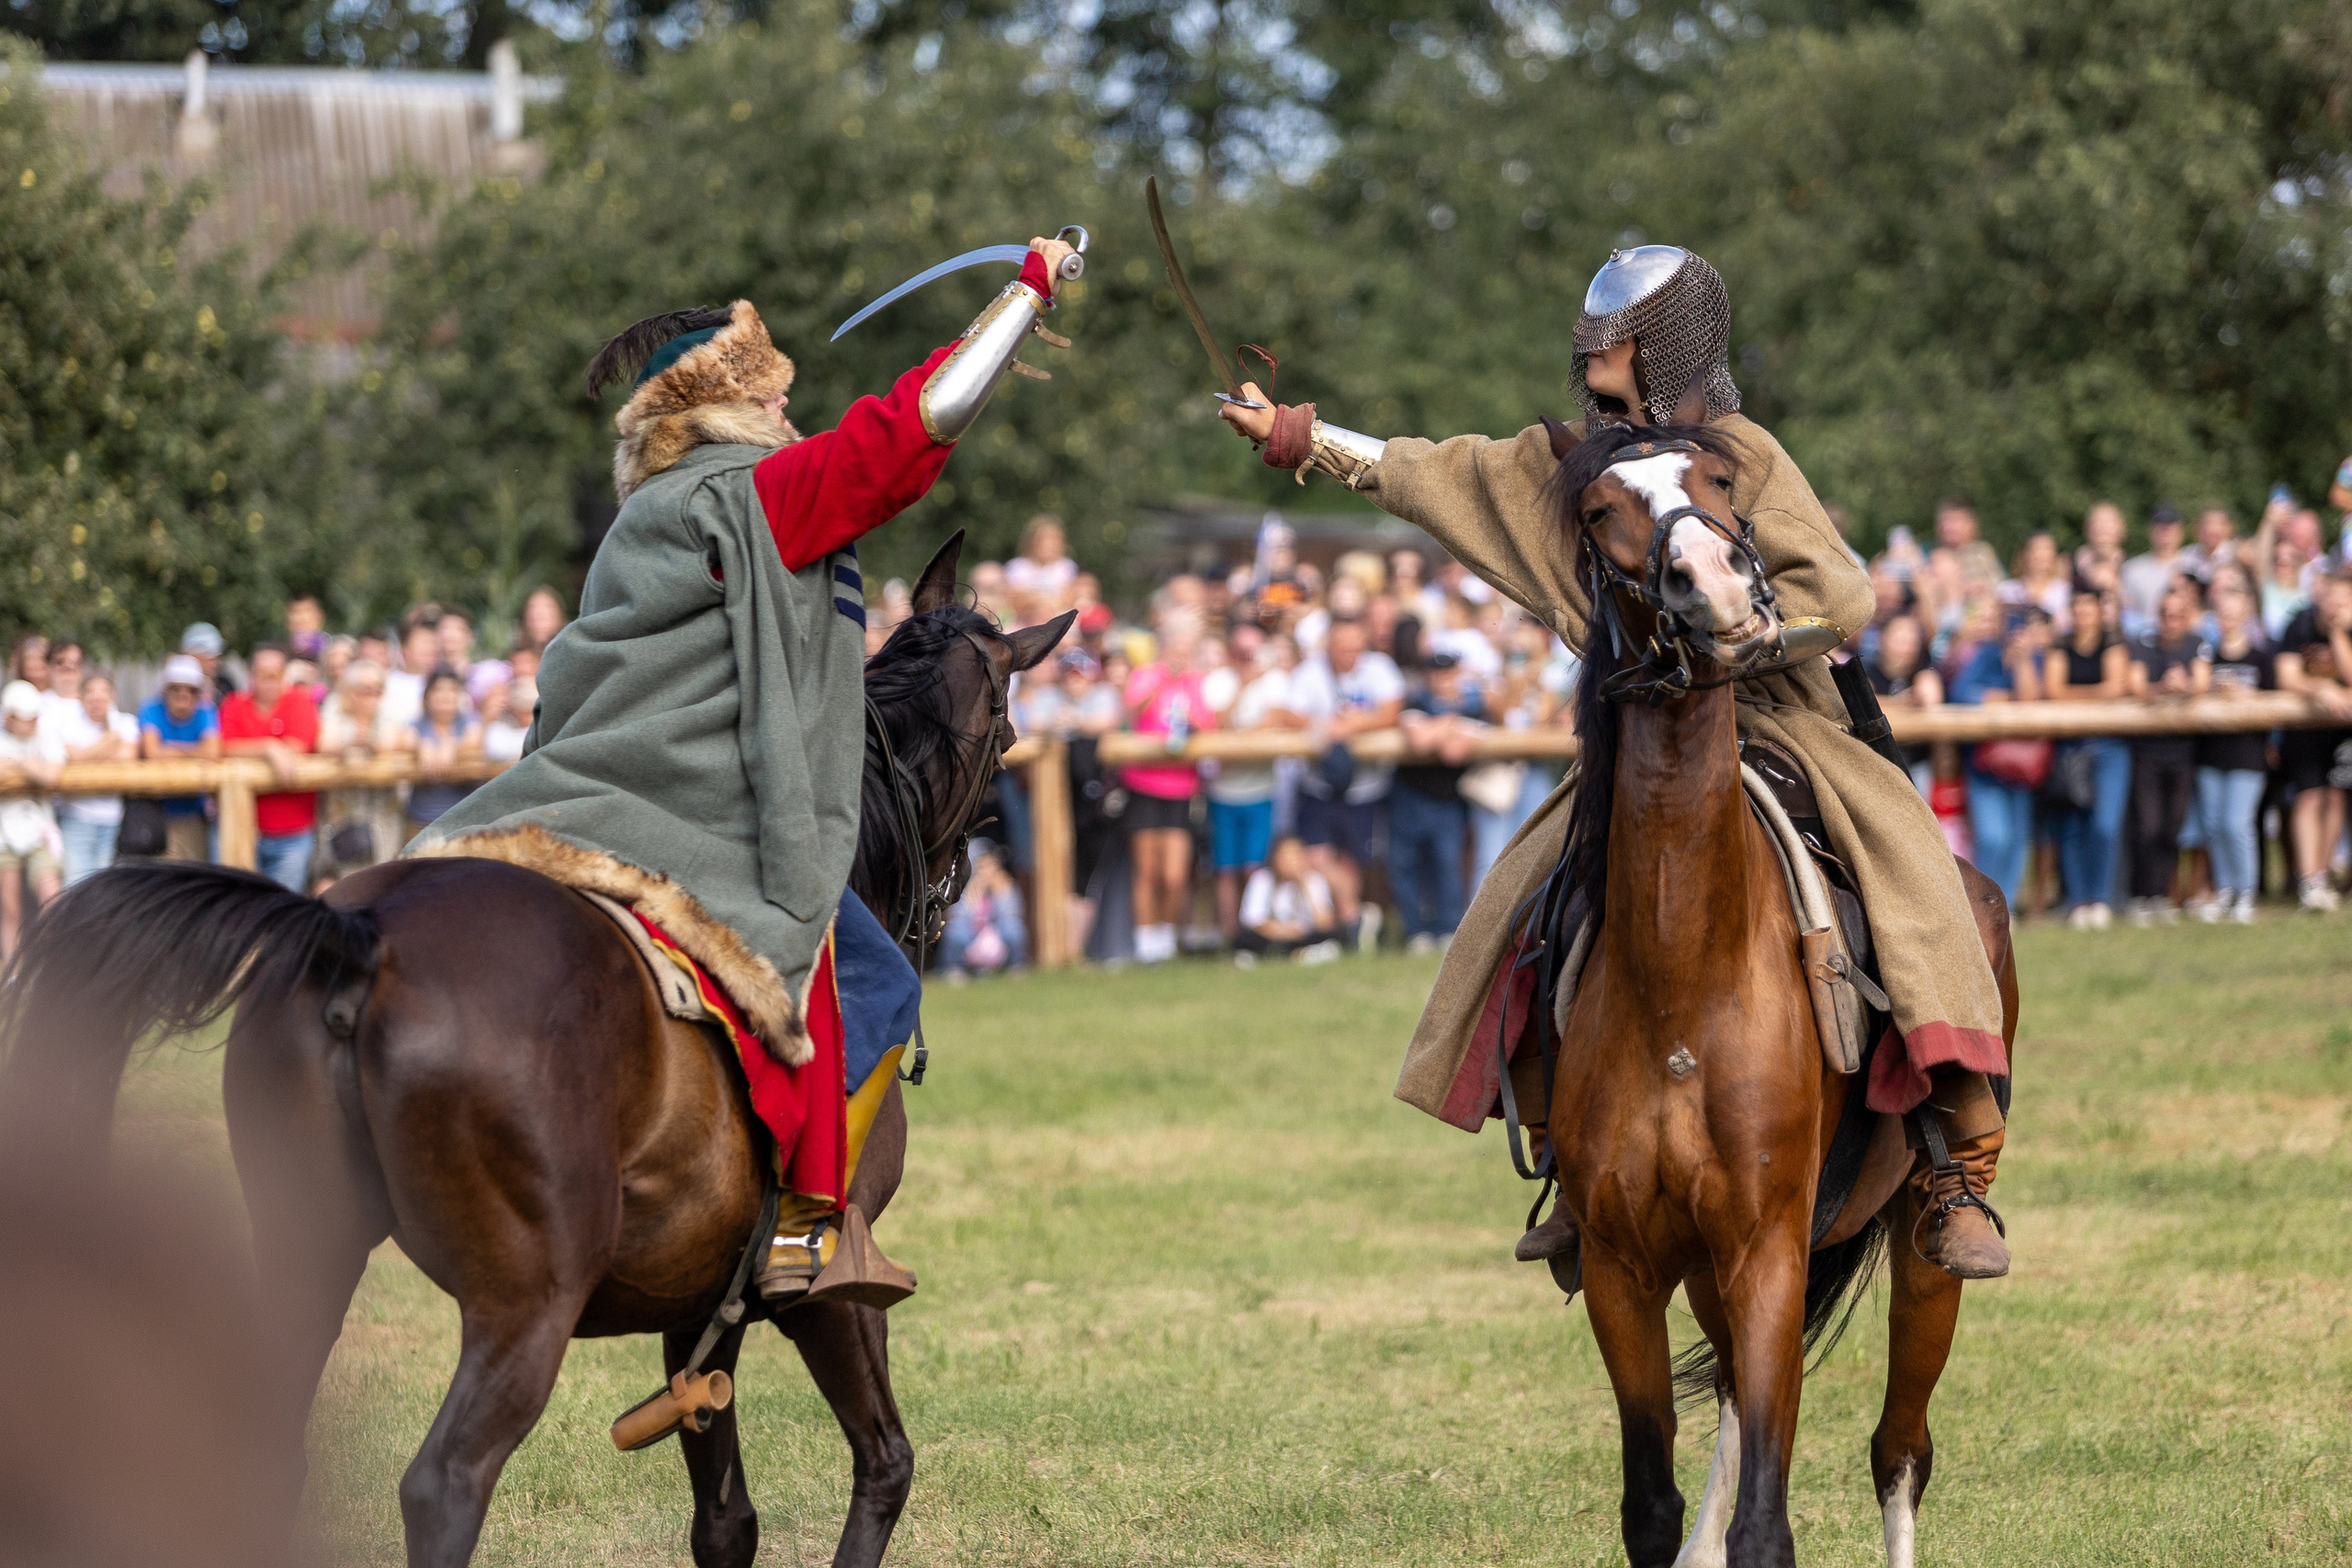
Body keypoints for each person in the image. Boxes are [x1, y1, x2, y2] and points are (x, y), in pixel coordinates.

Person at [1220, 243, 2013, 1281]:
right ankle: (1569, 1154)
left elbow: (1844, 595)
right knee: (1533, 893)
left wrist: (1750, 639)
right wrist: (1298, 437)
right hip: (1635, 728)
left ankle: (1954, 1153)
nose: (1595, 348)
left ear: (1663, 342)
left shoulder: (1738, 450)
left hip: (1773, 716)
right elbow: (1428, 472)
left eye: (1619, 334)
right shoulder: (1559, 464)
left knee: (1908, 868)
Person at [411, 234, 1080, 1307]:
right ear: (729, 407)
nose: (791, 418)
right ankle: (807, 1231)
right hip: (691, 819)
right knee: (873, 977)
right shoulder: (752, 495)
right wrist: (1028, 292)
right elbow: (915, 429)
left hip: (567, 803)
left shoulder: (648, 515)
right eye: (776, 399)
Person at [1286, 615, 1405, 949]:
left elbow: (1392, 710)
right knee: (1317, 855)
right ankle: (1351, 920)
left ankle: (1346, 930)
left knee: (1355, 859)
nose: (1350, 654)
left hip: (1365, 787)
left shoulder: (1379, 667)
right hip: (1318, 784)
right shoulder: (1310, 672)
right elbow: (1289, 712)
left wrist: (1352, 725)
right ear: (1329, 647)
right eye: (1343, 647)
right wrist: (1325, 724)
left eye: (1356, 647)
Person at [1121, 619, 1212, 964]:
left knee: (1174, 874)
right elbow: (1133, 712)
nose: (1181, 656)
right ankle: (1145, 943)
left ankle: (1164, 934)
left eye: (1187, 651)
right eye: (1177, 649)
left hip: (1181, 787)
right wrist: (1162, 681)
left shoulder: (1197, 684)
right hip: (1143, 783)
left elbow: (1207, 725)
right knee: (1146, 870)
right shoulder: (1145, 676)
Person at [2121, 577, 2212, 924]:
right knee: (2146, 824)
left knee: (2171, 827)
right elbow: (2136, 686)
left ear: (2187, 617)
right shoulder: (2143, 643)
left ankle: (2159, 896)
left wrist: (2183, 687)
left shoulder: (2197, 643)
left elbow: (2201, 685)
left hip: (2184, 750)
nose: (2170, 620)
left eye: (2177, 615)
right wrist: (2168, 688)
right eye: (2165, 614)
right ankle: (2140, 895)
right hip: (2147, 750)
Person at [2043, 581, 2132, 926]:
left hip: (2110, 746)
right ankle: (2078, 900)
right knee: (2070, 824)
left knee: (2105, 824)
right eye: (2077, 607)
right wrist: (2097, 694)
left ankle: (2102, 898)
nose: (2082, 614)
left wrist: (2072, 694)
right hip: (2069, 747)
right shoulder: (2060, 644)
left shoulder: (2113, 642)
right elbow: (2052, 690)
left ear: (2100, 610)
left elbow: (2117, 687)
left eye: (2089, 607)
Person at [1950, 607, 2051, 909]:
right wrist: (2006, 698)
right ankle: (1983, 905)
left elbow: (2033, 697)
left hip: (2024, 766)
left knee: (2017, 840)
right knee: (1993, 837)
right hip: (1985, 764)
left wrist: (2021, 663)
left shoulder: (2037, 660)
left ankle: (2004, 908)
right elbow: (1961, 694)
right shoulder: (1985, 655)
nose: (2020, 636)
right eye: (2016, 628)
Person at [1202, 632, 1297, 943]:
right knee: (1226, 869)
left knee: (1255, 867)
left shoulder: (1276, 680)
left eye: (1252, 652)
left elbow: (1273, 721)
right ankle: (1232, 937)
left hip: (1261, 789)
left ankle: (1254, 934)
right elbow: (1215, 722)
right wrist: (1242, 686)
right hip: (1223, 790)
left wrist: (1235, 736)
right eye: (1241, 651)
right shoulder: (1218, 681)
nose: (1247, 658)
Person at [2193, 567, 2273, 924]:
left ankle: (2246, 892)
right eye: (2221, 611)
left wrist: (2244, 697)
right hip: (2210, 753)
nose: (2227, 617)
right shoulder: (2205, 658)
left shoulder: (2261, 657)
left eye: (2234, 610)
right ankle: (2225, 889)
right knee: (2212, 824)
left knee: (2236, 823)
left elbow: (2275, 704)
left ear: (2246, 613)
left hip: (2248, 754)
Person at [1389, 652, 1483, 953]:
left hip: (1448, 801)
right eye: (1436, 673)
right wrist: (1453, 720)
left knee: (1448, 865)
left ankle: (1447, 929)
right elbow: (1421, 742)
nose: (1442, 679)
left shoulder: (1477, 706)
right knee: (1405, 866)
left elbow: (1452, 752)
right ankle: (1415, 931)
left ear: (1458, 673)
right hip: (1408, 797)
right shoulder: (1415, 701)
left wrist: (1436, 727)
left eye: (1448, 673)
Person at [2274, 569, 2352, 910]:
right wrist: (2320, 687)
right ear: (2319, 596)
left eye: (2344, 599)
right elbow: (2286, 676)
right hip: (2304, 729)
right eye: (2331, 597)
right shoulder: (2299, 624)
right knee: (2308, 798)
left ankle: (2322, 874)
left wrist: (2338, 635)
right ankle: (2308, 881)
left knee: (2335, 799)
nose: (2336, 605)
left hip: (2342, 730)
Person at [219, 645, 322, 893]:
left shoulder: (300, 701)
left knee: (282, 910)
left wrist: (261, 748)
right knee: (238, 904)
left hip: (292, 831)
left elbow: (297, 746)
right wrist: (269, 747)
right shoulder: (234, 704)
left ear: (284, 674)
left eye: (275, 674)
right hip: (243, 828)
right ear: (250, 674)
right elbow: (223, 747)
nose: (269, 682)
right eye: (262, 674)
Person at [316, 658, 409, 875]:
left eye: (379, 689)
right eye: (368, 689)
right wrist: (358, 739)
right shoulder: (335, 710)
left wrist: (356, 742)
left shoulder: (389, 710)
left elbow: (388, 743)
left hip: (382, 816)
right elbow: (326, 743)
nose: (375, 696)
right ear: (351, 692)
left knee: (381, 878)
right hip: (343, 816)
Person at [45, 671, 138, 886]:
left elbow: (127, 756)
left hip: (112, 818)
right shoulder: (68, 724)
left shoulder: (125, 721)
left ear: (112, 697)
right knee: (74, 886)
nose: (97, 703)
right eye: (92, 698)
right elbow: (73, 757)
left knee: (104, 888)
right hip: (76, 817)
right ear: (81, 698)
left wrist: (89, 753)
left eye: (102, 698)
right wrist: (110, 742)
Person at [0, 681, 63, 960]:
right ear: (9, 718)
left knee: (52, 900)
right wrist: (32, 766)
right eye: (28, 719)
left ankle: (50, 966)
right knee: (10, 907)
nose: (34, 723)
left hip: (40, 829)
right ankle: (12, 972)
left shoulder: (46, 735)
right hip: (4, 834)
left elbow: (52, 776)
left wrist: (17, 762)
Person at [138, 655, 220, 862]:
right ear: (166, 690)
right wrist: (194, 751)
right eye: (176, 689)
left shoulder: (206, 711)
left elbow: (213, 751)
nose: (183, 695)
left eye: (191, 690)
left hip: (193, 813)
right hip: (155, 814)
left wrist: (172, 748)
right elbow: (152, 753)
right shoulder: (150, 709)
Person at [1862, 612, 1943, 797]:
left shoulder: (1924, 671)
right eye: (1900, 637)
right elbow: (1866, 702)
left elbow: (1931, 700)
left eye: (1912, 639)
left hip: (1917, 762)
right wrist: (1905, 702)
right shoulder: (1868, 671)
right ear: (1882, 639)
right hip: (1879, 763)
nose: (1906, 645)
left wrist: (1920, 693)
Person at [1233, 835, 1342, 964]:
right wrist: (1282, 931)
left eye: (1296, 855)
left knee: (1332, 937)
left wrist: (1304, 885)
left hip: (1303, 936)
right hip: (1272, 935)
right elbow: (1252, 919)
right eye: (1286, 856)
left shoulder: (1314, 880)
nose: (1292, 861)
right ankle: (1297, 955)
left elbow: (1325, 923)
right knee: (1244, 938)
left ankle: (1298, 954)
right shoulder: (1262, 879)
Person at [404, 671, 483, 833]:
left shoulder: (469, 721)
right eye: (438, 689)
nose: (445, 695)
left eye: (452, 690)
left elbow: (475, 739)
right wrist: (423, 746)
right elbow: (402, 739)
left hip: (461, 822)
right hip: (420, 821)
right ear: (427, 696)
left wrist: (451, 746)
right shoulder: (418, 723)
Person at [938, 843, 1027, 978]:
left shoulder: (1006, 885)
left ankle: (1016, 966)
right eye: (982, 867)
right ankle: (955, 969)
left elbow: (1013, 914)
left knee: (1013, 927)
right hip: (973, 936)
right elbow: (958, 916)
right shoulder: (967, 887)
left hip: (996, 937)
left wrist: (1001, 895)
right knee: (955, 930)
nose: (986, 872)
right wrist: (976, 894)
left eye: (990, 867)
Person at [2120, 505, 2187, 639]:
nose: (2165, 532)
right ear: (2150, 531)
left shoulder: (2193, 566)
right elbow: (2127, 610)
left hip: (2185, 638)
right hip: (2147, 638)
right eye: (2160, 528)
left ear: (2181, 531)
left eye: (2170, 527)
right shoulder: (2132, 569)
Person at [382, 612, 442, 731]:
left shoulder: (446, 683)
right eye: (425, 642)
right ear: (405, 648)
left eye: (435, 642)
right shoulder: (386, 683)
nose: (432, 648)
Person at [1997, 531, 2072, 621]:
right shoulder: (2007, 590)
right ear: (2025, 554)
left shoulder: (2065, 591)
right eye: (2036, 549)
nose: (2042, 555)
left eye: (2047, 549)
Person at [179, 622, 235, 698]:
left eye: (217, 658)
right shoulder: (174, 686)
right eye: (210, 658)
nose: (215, 664)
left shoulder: (225, 685)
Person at [518, 585, 570, 653]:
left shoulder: (571, 650)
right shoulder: (517, 657)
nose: (539, 614)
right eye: (533, 607)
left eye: (548, 606)